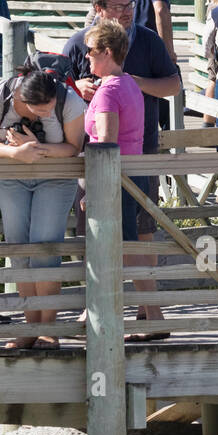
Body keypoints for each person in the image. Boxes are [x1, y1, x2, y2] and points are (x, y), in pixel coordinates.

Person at [62, 0, 182, 326]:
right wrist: (76, 86)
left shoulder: (139, 51)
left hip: (119, 169)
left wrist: (117, 86)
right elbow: (54, 86)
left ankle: (143, 313)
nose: (128, 11)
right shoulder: (85, 49)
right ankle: (108, 308)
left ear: (108, 54)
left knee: (129, 242)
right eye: (119, 6)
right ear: (99, 9)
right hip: (125, 164)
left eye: (130, 4)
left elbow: (106, 144)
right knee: (114, 243)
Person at [0, 69, 87, 348]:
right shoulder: (0, 96)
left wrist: (36, 148)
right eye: (39, 111)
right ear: (22, 99)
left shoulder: (70, 101)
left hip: (54, 180)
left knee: (46, 250)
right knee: (19, 251)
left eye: (49, 109)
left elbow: (74, 147)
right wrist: (15, 153)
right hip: (12, 178)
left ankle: (48, 329)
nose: (44, 115)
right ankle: (30, 326)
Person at [79, 20, 168, 340]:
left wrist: (94, 188)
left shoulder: (107, 92)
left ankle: (149, 317)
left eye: (90, 51)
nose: (86, 57)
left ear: (106, 52)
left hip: (115, 179)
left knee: (125, 250)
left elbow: (106, 143)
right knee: (129, 248)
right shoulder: (128, 82)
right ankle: (132, 314)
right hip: (134, 174)